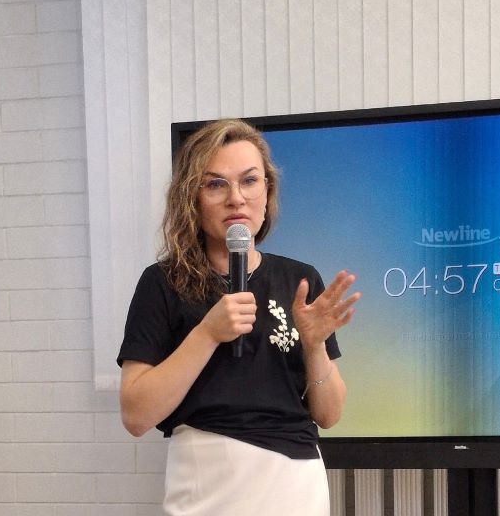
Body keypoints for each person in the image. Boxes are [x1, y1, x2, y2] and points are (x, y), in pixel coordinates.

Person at [117, 118, 361, 515]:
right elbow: (136, 415)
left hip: (297, 484)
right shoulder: (162, 282)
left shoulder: (300, 279)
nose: (236, 198)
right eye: (216, 184)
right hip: (209, 484)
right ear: (192, 198)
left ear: (267, 192)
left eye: (249, 181)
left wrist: (315, 346)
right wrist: (207, 333)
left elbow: (329, 415)